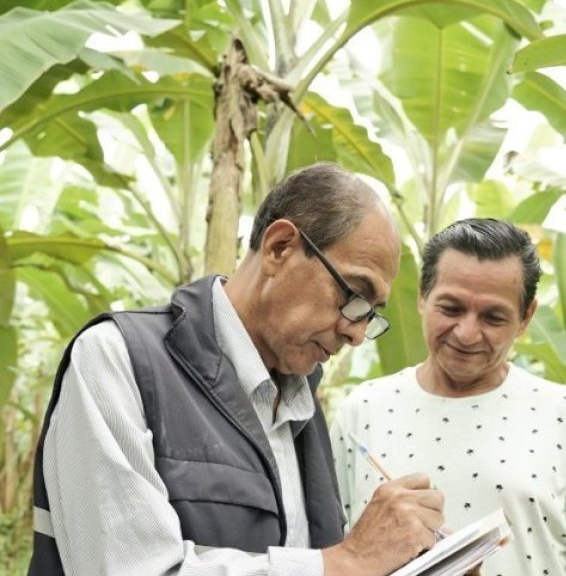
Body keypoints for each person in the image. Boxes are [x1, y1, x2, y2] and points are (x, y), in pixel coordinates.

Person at [30, 163, 447, 576]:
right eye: (355, 295)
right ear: (279, 247)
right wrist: (348, 561)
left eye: (370, 315)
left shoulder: (302, 405)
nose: (355, 333)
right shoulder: (117, 359)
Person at [332, 218, 566, 576]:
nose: (466, 334)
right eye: (450, 309)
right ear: (422, 295)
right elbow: (328, 554)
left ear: (526, 316)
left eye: (493, 317)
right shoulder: (362, 412)